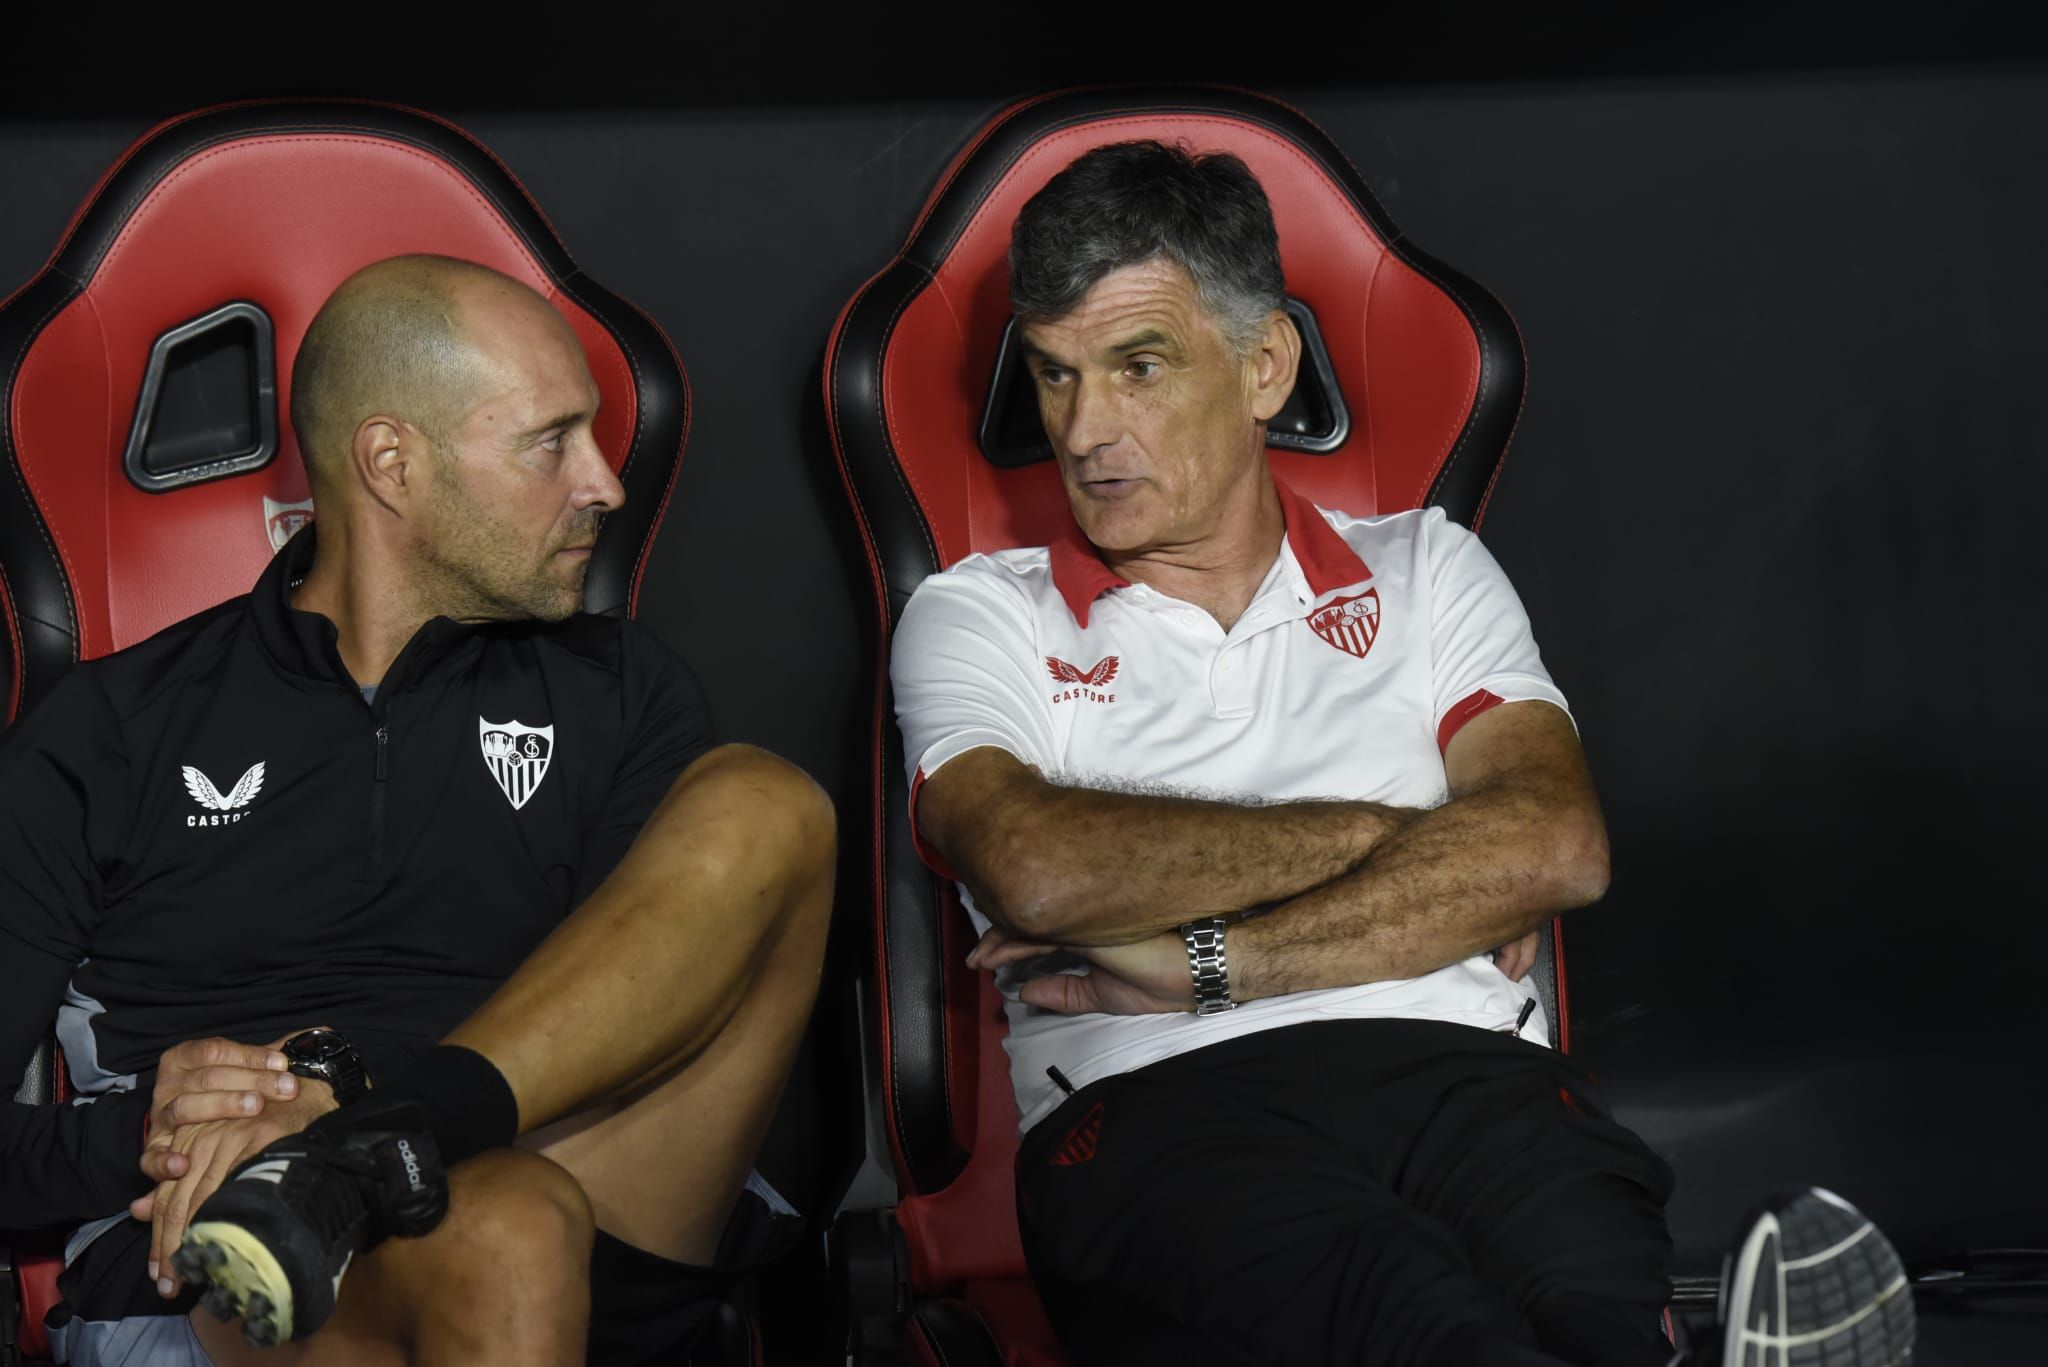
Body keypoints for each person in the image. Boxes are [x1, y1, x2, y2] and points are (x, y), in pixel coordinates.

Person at [889, 141, 1914, 1367]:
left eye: (1137, 368)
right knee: (1413, 1319)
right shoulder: (977, 611)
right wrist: (1392, 833)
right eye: (1055, 377)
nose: (1083, 430)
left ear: (1263, 366)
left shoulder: (1427, 568)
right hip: (1155, 1108)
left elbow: (1552, 842)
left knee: (1592, 1309)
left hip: (1466, 1084)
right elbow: (1039, 869)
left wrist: (1205, 958)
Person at [0, 255, 834, 1365]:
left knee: (765, 800)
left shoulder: (621, 693)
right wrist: (148, 1125)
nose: (605, 482)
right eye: (551, 440)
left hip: (578, 1177)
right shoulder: (110, 729)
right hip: (233, 1254)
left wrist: (348, 1096)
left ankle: (361, 1144)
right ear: (391, 463)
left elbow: (650, 1033)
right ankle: (340, 1168)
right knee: (501, 1229)